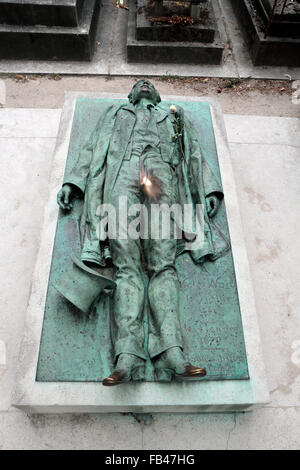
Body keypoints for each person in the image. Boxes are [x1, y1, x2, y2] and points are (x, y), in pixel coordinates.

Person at [57, 80, 225, 385]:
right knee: (126, 267)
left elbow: (193, 152)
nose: (144, 83)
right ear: (131, 95)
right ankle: (127, 355)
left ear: (158, 96)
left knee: (163, 264)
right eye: (137, 83)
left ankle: (172, 351)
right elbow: (93, 147)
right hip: (122, 176)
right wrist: (74, 181)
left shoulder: (173, 114)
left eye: (149, 83)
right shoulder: (114, 112)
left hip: (161, 175)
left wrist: (210, 187)